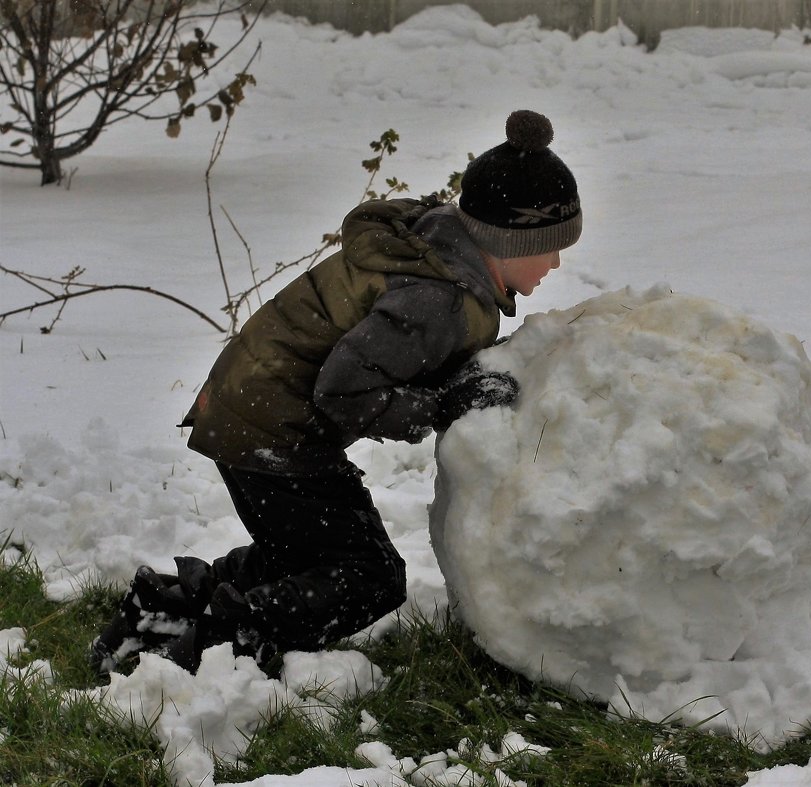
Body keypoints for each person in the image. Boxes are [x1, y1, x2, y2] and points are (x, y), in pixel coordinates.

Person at [90, 109, 582, 675]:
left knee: (300, 557)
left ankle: (159, 614)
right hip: (274, 427)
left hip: (247, 407)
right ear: (508, 240)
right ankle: (209, 647)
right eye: (550, 244)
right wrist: (440, 407)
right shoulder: (438, 297)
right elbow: (343, 390)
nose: (557, 261)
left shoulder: (436, 248)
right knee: (368, 576)